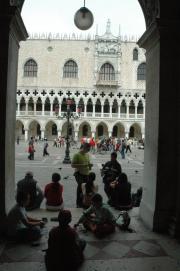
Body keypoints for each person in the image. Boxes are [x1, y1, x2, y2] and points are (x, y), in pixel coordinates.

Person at [71, 143, 93, 207]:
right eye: (88, 149)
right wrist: (83, 165)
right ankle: (78, 203)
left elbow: (88, 164)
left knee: (85, 188)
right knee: (80, 186)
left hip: (86, 173)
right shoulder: (77, 155)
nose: (89, 150)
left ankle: (84, 202)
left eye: (89, 149)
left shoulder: (87, 155)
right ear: (84, 148)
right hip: (79, 173)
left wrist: (90, 166)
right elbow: (72, 165)